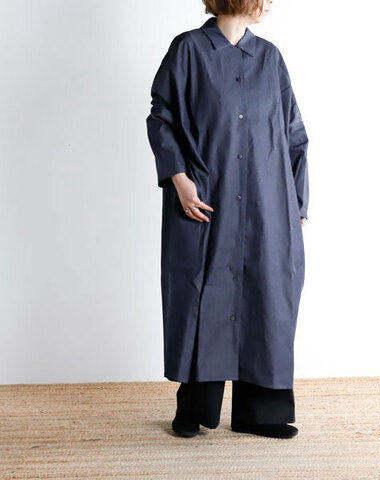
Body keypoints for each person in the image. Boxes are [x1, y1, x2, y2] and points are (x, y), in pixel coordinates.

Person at [146, 0, 309, 439]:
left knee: (266, 297)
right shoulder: (189, 50)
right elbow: (161, 118)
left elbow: (293, 133)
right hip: (207, 199)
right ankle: (194, 408)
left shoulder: (270, 58)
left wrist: (297, 204)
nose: (270, 3)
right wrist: (179, 179)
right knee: (205, 296)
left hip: (266, 205)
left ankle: (261, 414)